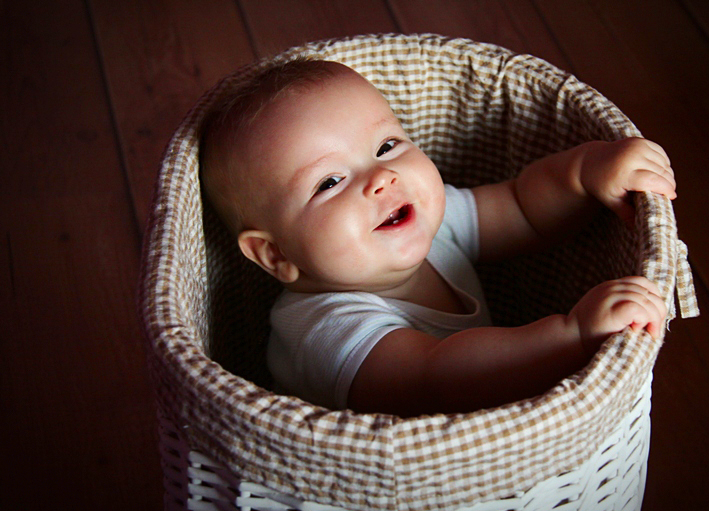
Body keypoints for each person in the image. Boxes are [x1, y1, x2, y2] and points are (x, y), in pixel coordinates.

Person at [200, 59, 676, 417]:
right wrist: (568, 336)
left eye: (386, 146)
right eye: (330, 182)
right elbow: (437, 378)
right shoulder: (325, 330)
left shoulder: (425, 222)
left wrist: (585, 172)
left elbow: (521, 207)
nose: (381, 178)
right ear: (275, 254)